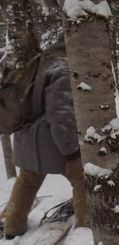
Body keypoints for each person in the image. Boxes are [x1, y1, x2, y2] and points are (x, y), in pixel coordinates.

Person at [2, 38, 88, 239]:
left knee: (27, 181)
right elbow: (61, 115)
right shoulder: (63, 67)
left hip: (25, 138)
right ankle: (86, 230)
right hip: (51, 141)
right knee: (83, 180)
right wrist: (71, 151)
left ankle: (12, 228)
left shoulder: (41, 60)